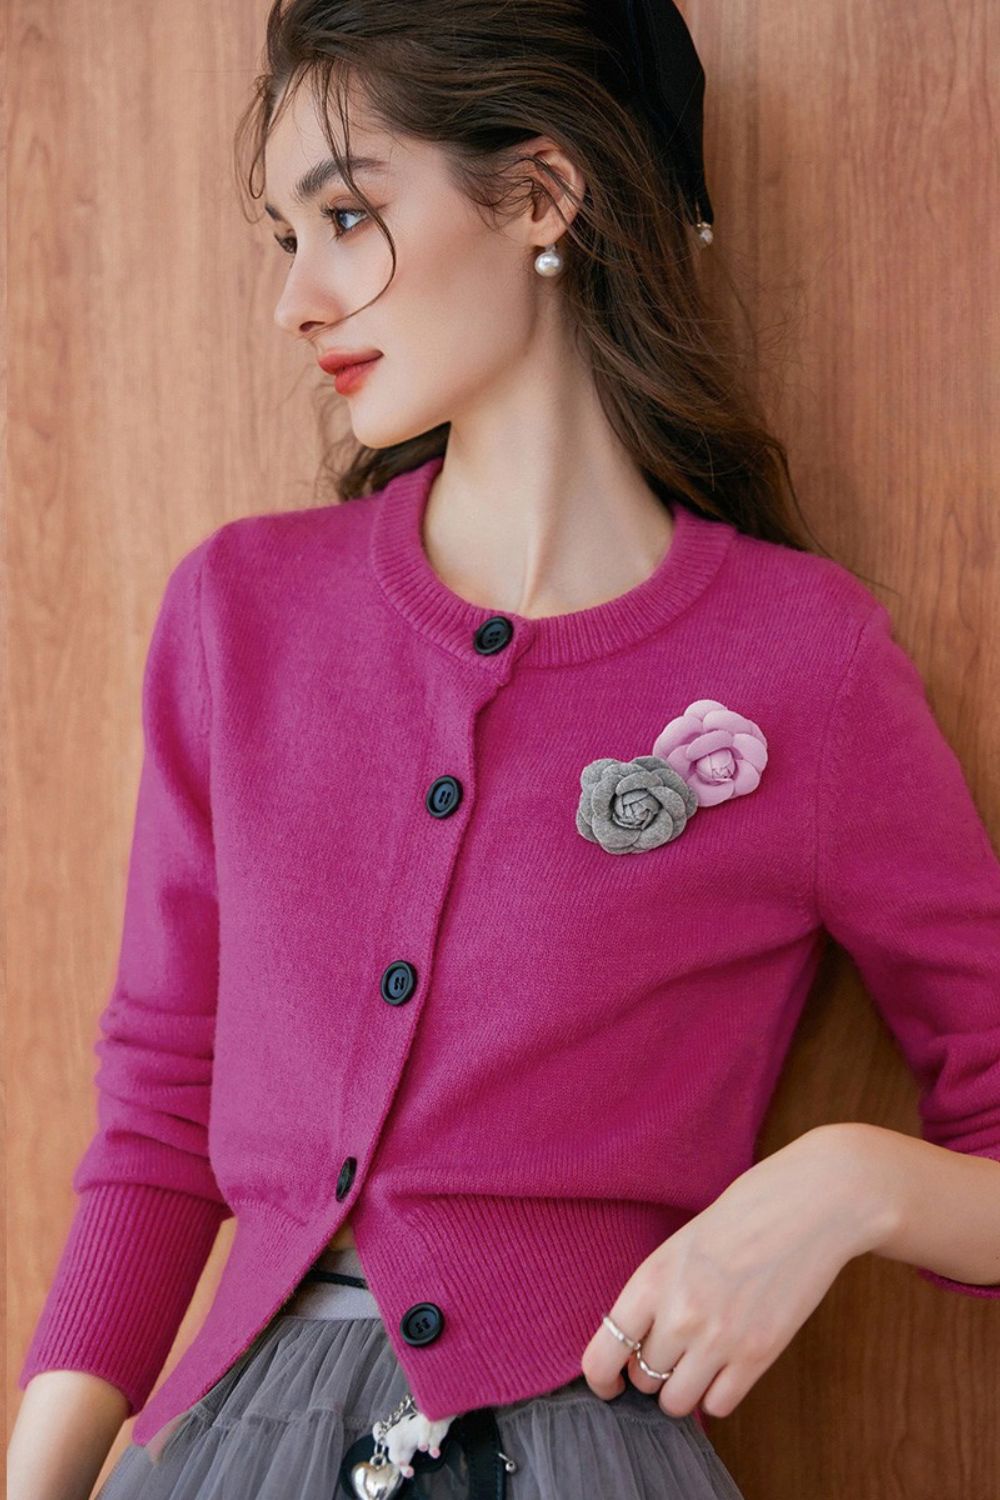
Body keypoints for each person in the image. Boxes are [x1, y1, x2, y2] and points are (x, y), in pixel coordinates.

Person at [10, 4, 1000, 1499]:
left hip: (582, 1449)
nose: (298, 297)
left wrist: (848, 1186)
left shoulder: (809, 665)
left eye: (347, 215)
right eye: (286, 235)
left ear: (541, 194)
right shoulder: (243, 614)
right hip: (233, 1450)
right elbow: (159, 1117)